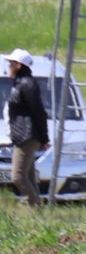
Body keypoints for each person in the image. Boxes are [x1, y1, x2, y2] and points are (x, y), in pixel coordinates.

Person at [6, 49, 48, 207]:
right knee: (29, 176)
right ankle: (37, 212)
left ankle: (34, 203)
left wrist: (44, 138)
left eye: (11, 64)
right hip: (22, 135)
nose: (8, 67)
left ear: (18, 65)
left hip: (27, 136)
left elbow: (39, 112)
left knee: (17, 176)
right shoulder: (21, 83)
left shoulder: (27, 84)